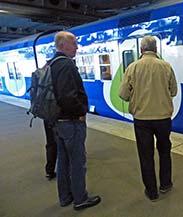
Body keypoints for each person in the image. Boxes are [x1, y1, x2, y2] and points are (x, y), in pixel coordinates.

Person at [119, 36, 177, 201]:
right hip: (163, 118)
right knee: (165, 151)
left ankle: (151, 192)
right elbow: (173, 91)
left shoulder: (133, 67)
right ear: (155, 49)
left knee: (146, 155)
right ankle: (165, 184)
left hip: (142, 119)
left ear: (141, 50)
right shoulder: (166, 66)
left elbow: (122, 94)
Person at [51, 31, 101, 210]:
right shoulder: (66, 65)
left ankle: (65, 197)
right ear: (63, 45)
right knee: (77, 162)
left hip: (58, 122)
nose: (77, 47)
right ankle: (80, 199)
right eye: (73, 43)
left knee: (63, 161)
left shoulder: (52, 63)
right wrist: (81, 112)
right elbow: (67, 97)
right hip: (71, 122)